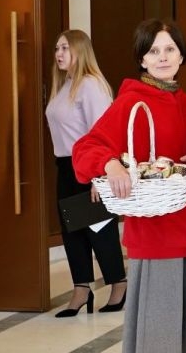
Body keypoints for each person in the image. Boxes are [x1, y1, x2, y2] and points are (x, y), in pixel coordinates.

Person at [72, 20, 186, 353]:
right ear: (142, 59)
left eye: (169, 49)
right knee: (154, 319)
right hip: (153, 229)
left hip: (184, 222)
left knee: (158, 316)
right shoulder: (131, 101)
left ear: (181, 54)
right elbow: (87, 146)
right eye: (153, 51)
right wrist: (109, 163)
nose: (162, 58)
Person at [45, 29, 126, 316]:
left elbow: (103, 131)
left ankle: (118, 284)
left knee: (99, 228)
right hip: (65, 166)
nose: (59, 53)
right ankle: (81, 289)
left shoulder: (90, 85)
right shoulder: (64, 85)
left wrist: (99, 175)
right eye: (57, 48)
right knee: (73, 231)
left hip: (88, 165)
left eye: (65, 48)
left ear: (80, 50)